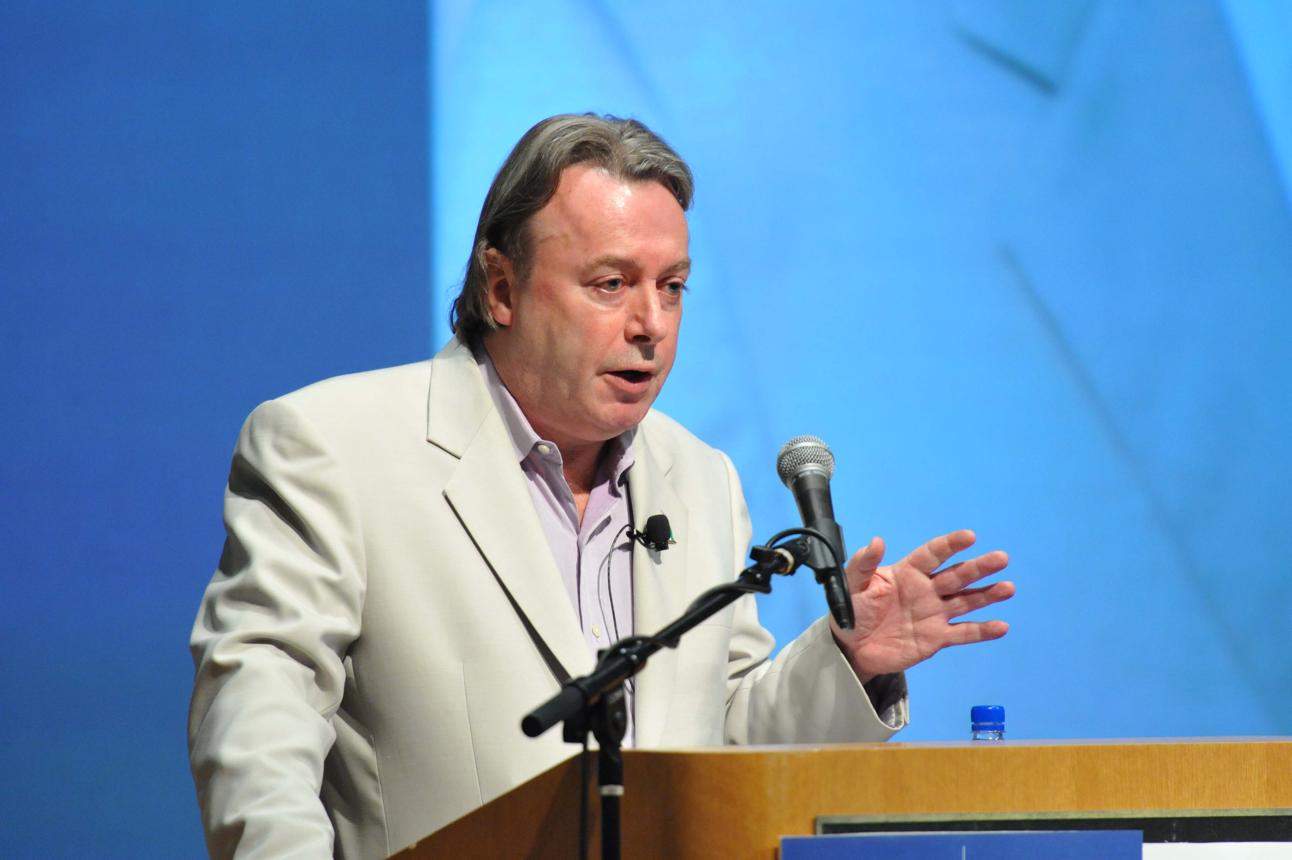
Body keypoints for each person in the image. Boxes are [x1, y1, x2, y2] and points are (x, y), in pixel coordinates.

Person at [188, 113, 1015, 859]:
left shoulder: (699, 478)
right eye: (611, 284)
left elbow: (724, 741)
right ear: (501, 288)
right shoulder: (337, 448)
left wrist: (845, 662)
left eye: (672, 286)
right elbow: (259, 736)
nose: (651, 323)